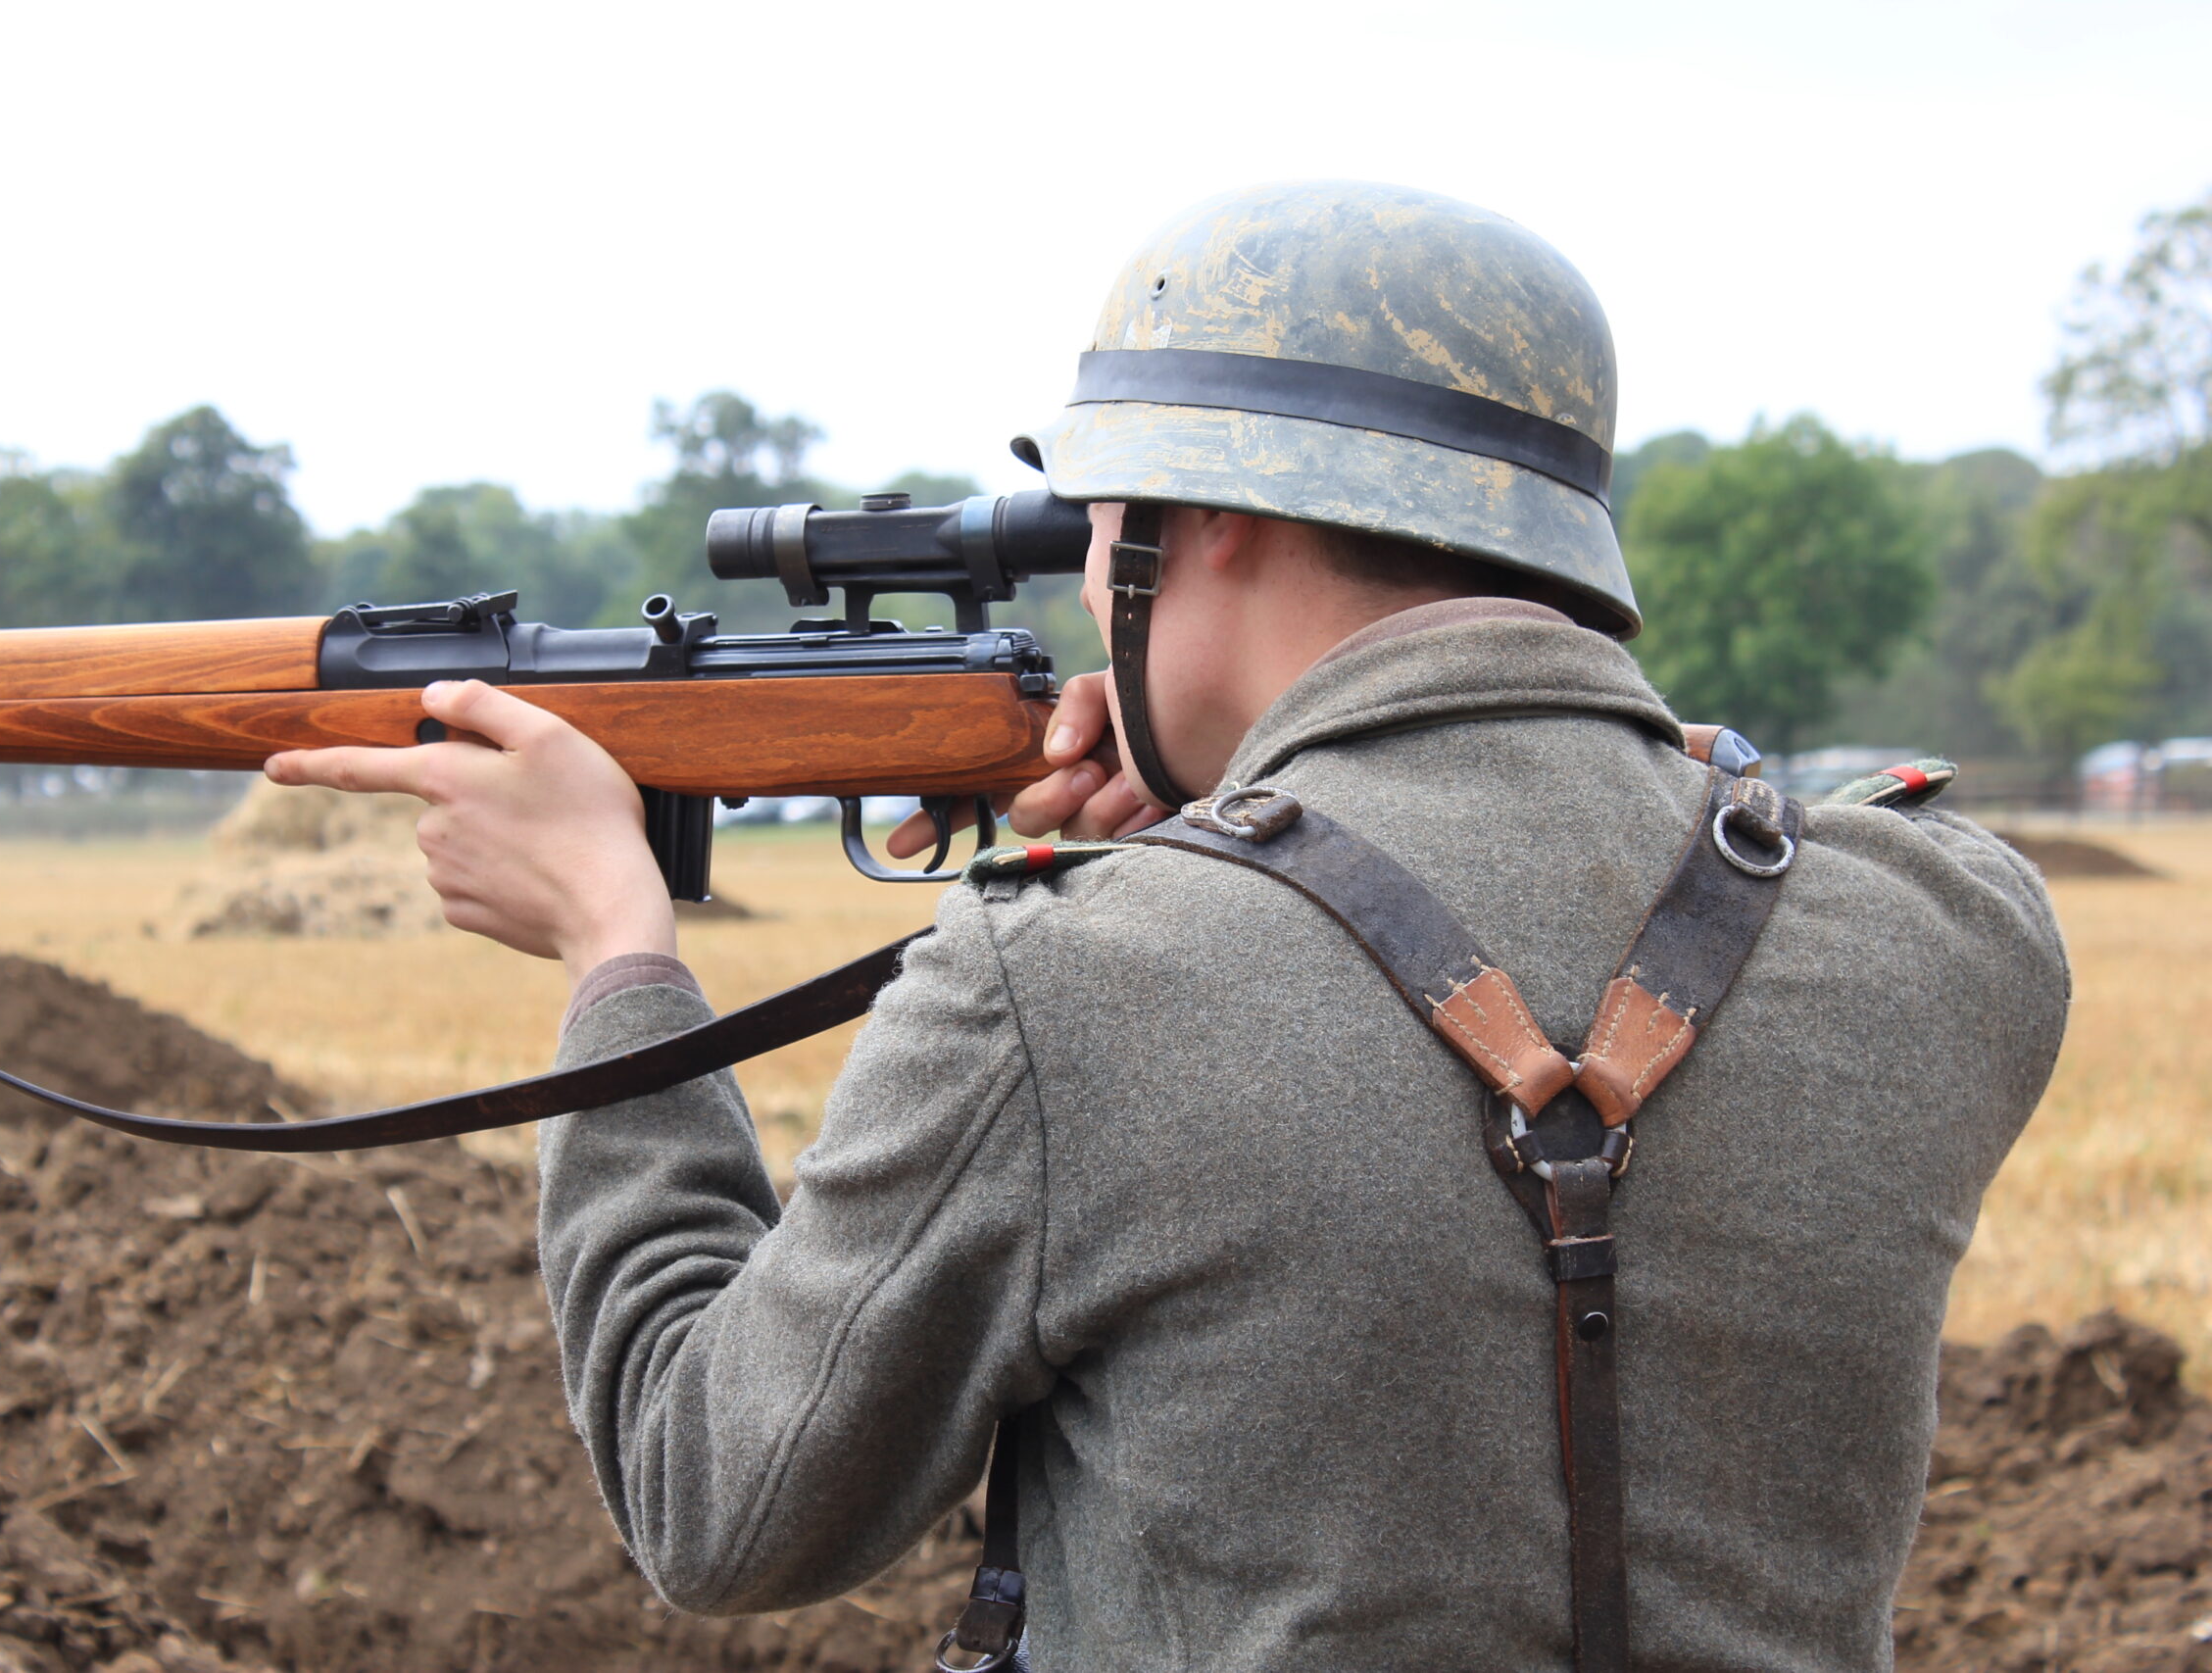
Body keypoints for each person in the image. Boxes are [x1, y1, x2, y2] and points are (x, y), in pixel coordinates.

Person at [266, 180, 2070, 1671]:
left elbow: (715, 1503)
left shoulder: (1063, 986)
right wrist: (1269, 813)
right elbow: (1638, 806)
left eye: (1098, 514)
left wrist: (616, 951)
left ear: (1196, 528)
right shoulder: (1955, 930)